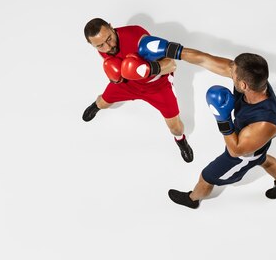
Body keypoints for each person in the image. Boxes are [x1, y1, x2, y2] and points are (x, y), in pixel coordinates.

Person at [137, 36, 276, 208]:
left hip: (241, 155)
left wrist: (223, 118)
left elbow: (235, 150)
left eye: (233, 72)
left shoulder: (264, 122)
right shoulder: (254, 82)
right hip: (256, 146)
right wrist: (172, 50)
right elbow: (205, 59)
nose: (229, 71)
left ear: (243, 85)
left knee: (207, 177)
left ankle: (192, 199)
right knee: (265, 160)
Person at [82, 18, 193, 162]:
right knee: (103, 103)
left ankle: (181, 141)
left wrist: (148, 70)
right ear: (91, 44)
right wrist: (115, 78)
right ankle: (95, 107)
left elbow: (171, 65)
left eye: (109, 39)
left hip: (157, 86)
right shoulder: (103, 48)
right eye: (100, 45)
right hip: (127, 85)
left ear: (111, 27)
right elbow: (114, 66)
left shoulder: (137, 37)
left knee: (176, 128)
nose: (108, 47)